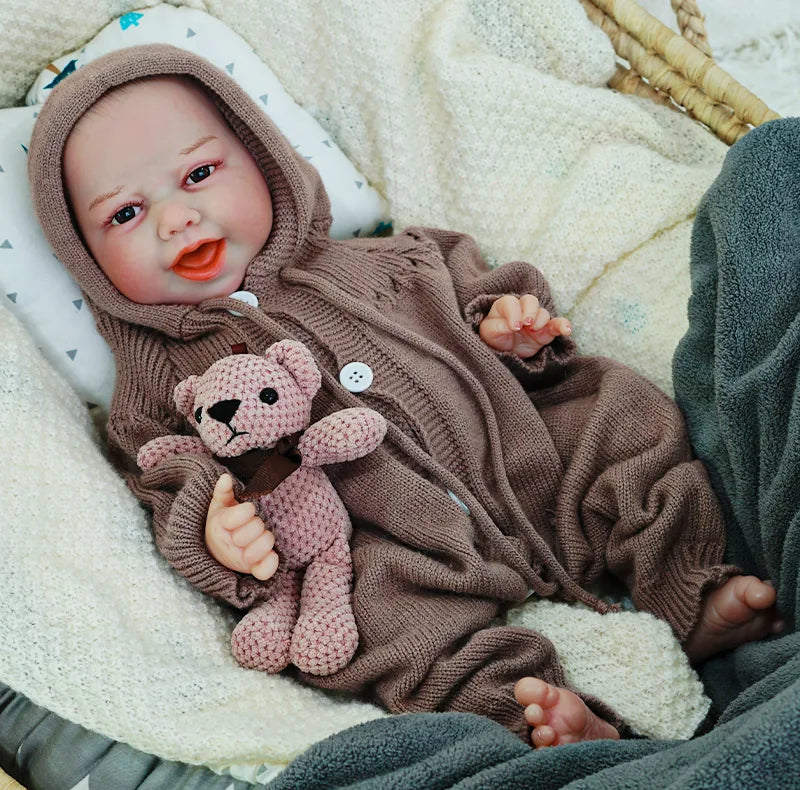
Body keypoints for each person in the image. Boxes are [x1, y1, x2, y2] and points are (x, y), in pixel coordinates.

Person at [28, 44, 781, 749]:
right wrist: (214, 528)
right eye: (125, 214)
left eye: (198, 175)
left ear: (263, 161)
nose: (175, 217)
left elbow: (475, 289)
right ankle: (535, 715)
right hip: (393, 555)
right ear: (87, 264)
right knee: (386, 636)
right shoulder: (155, 389)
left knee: (622, 418)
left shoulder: (388, 256)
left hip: (533, 458)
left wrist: (510, 326)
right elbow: (167, 477)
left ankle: (686, 585)